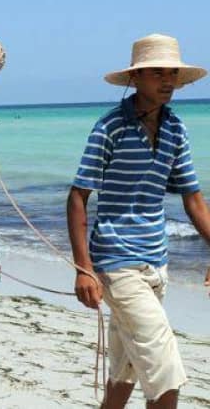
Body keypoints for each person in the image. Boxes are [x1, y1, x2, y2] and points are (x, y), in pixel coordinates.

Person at [67, 33, 210, 409]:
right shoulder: (110, 127)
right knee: (165, 374)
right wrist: (83, 268)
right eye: (157, 73)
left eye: (172, 74)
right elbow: (78, 196)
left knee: (125, 371)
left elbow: (194, 200)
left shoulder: (176, 129)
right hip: (117, 265)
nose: (167, 81)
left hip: (157, 264)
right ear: (135, 77)